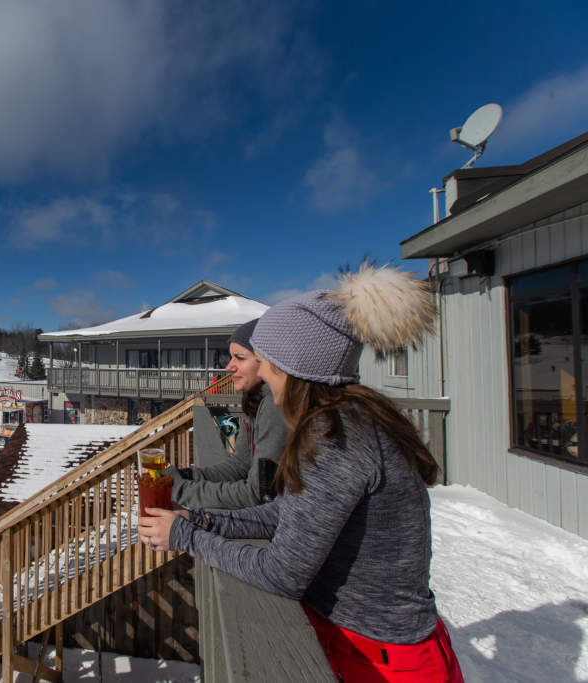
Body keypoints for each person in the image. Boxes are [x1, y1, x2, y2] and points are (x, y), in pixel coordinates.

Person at [138, 265, 463, 682]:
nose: (265, 373)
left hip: (380, 659)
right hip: (373, 646)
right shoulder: (349, 420)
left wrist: (186, 537)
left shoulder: (336, 438)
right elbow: (288, 514)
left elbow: (282, 573)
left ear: (292, 366)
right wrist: (199, 519)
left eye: (267, 361)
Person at [166, 319, 288, 509]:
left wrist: (181, 490)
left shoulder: (276, 407)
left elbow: (257, 494)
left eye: (239, 358)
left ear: (267, 360)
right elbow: (239, 466)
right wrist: (186, 476)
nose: (229, 367)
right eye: (229, 357)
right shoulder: (255, 399)